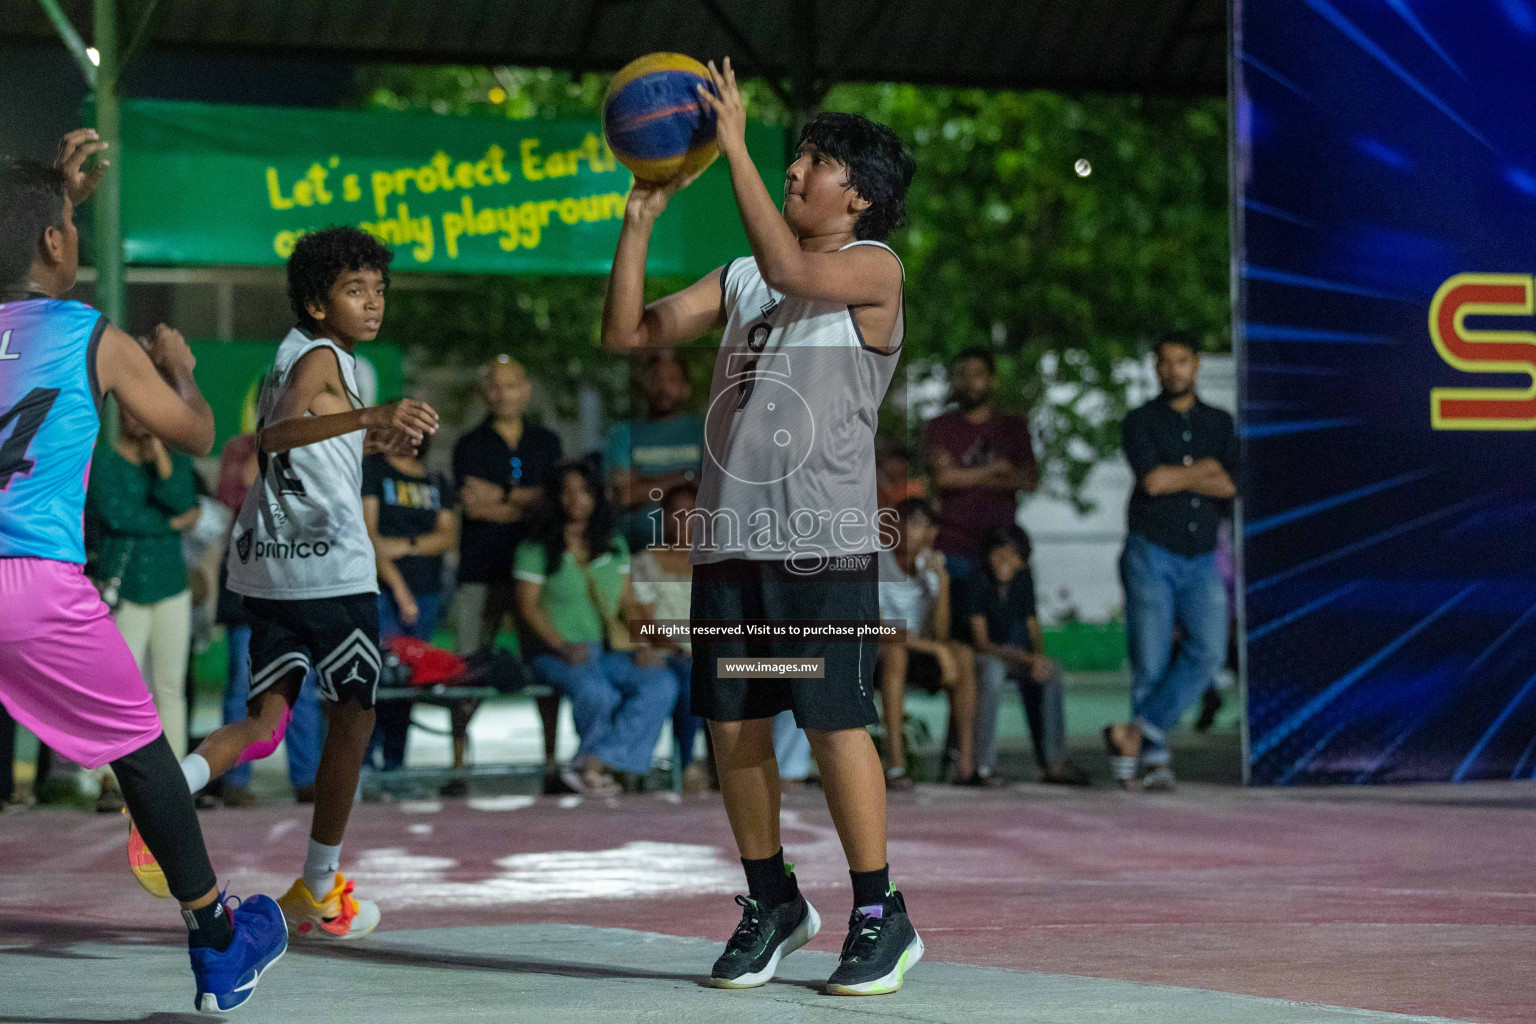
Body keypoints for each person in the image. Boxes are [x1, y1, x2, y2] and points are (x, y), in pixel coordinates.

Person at [601, 62, 923, 996]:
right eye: (796, 157)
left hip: (822, 544)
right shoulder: (744, 279)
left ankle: (878, 911)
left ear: (858, 195)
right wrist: (637, 226)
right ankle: (772, 899)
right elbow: (633, 334)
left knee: (833, 724)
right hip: (733, 545)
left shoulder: (873, 270)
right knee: (733, 723)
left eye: (816, 163)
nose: (796, 170)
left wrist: (733, 141)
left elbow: (792, 265)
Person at [0, 137, 286, 1010]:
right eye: (67, 231)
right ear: (55, 244)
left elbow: (26, 250)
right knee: (145, 758)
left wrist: (58, 199)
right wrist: (183, 373)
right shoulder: (91, 335)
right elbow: (196, 436)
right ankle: (218, 939)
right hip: (34, 586)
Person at [138, 225, 441, 942]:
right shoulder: (323, 356)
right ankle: (316, 882)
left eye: (379, 290)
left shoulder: (294, 355)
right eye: (354, 290)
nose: (373, 304)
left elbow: (315, 438)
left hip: (271, 567)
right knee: (355, 715)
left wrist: (375, 437)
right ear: (315, 302)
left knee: (265, 723)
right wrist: (373, 415)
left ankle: (169, 789)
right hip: (328, 571)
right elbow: (273, 437)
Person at [1103, 333, 1236, 791]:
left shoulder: (1220, 422)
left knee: (1210, 650)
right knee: (1151, 659)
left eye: (1182, 361)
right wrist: (1206, 470)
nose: (1174, 369)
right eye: (1165, 362)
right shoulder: (1139, 422)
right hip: (1150, 551)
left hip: (1202, 556)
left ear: (1197, 365)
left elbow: (1232, 486)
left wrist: (1186, 474)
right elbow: (1155, 482)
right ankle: (1156, 760)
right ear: (1155, 368)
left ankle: (1134, 735)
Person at [515, 460, 678, 795]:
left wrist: (645, 642)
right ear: (555, 498)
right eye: (568, 492)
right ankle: (594, 769)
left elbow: (628, 601)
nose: (577, 499)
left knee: (661, 683)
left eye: (585, 491)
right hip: (557, 653)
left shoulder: (612, 544)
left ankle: (595, 762)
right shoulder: (536, 548)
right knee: (597, 693)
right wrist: (561, 645)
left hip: (606, 651)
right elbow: (528, 607)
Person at [84, 398, 202, 812]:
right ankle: (110, 781)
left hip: (171, 584)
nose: (141, 417)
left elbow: (185, 500)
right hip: (126, 585)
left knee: (171, 687)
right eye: (133, 410)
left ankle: (177, 782)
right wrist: (171, 524)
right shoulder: (104, 459)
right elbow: (114, 515)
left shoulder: (174, 458)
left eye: (146, 408)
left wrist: (160, 459)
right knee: (121, 689)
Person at [453, 354, 563, 781]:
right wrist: (527, 502)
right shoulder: (470, 444)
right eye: (494, 385)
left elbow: (552, 504)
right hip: (481, 571)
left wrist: (500, 497)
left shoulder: (547, 442)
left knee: (544, 664)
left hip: (536, 575)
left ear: (526, 388)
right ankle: (458, 764)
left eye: (511, 384)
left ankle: (552, 761)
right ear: (484, 391)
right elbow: (474, 509)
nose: (503, 393)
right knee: (468, 668)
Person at [211, 431, 324, 806]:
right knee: (244, 689)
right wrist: (266, 452)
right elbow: (232, 497)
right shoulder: (239, 449)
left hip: (296, 585)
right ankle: (236, 781)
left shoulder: (312, 450)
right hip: (249, 587)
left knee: (302, 690)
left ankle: (308, 780)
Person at [362, 434, 457, 784]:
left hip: (428, 592)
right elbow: (368, 538)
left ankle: (395, 762)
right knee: (378, 676)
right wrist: (400, 590)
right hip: (382, 592)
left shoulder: (435, 480)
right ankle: (365, 761)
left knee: (410, 678)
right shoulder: (374, 471)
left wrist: (405, 546)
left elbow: (447, 536)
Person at [968, 527, 1089, 786]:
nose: (1005, 562)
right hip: (983, 657)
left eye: (1012, 556)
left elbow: (1033, 627)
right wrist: (1024, 658)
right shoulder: (977, 581)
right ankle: (984, 765)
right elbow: (981, 642)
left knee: (1051, 671)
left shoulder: (1023, 579)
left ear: (1022, 560)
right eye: (998, 554)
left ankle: (1054, 762)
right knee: (994, 672)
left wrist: (1038, 659)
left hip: (1015, 657)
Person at [922, 347, 1038, 602]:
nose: (969, 382)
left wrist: (961, 475)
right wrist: (996, 469)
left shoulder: (1013, 427)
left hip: (1001, 549)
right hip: (952, 546)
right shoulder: (939, 427)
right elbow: (943, 479)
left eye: (978, 374)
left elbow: (1029, 480)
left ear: (992, 379)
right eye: (962, 374)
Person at [875, 498, 976, 788]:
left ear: (931, 532)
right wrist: (935, 649)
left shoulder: (930, 565)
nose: (910, 532)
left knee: (963, 654)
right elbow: (877, 628)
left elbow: (940, 634)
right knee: (896, 655)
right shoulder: (877, 563)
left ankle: (966, 766)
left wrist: (941, 583)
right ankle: (896, 766)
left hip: (919, 650)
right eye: (904, 524)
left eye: (919, 525)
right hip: (879, 653)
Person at [630, 482, 707, 793]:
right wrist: (679, 646)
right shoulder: (646, 562)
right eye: (675, 513)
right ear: (663, 518)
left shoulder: (714, 562)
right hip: (665, 651)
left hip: (706, 650)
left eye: (691, 513)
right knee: (690, 677)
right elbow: (644, 619)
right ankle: (688, 763)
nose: (683, 520)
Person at [605, 350, 704, 550]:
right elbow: (625, 496)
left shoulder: (703, 431)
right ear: (643, 385)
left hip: (694, 552)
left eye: (672, 380)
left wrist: (644, 484)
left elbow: (714, 494)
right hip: (635, 549)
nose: (663, 388)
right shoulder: (623, 434)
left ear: (686, 388)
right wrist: (685, 476)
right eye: (655, 380)